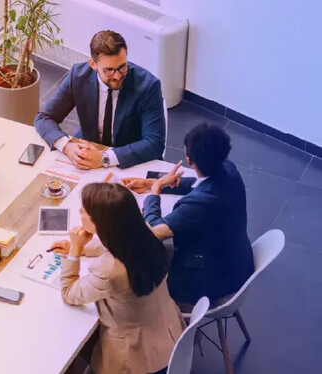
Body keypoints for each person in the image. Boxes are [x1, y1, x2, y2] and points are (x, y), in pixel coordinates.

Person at [52, 183, 183, 374]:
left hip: (134, 359)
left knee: (65, 344)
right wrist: (84, 248)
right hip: (169, 338)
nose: (79, 211)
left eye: (85, 211)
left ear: (101, 223)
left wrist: (75, 250)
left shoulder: (108, 271)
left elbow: (69, 293)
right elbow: (118, 243)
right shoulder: (146, 233)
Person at [123, 123, 254, 312]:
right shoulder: (228, 169)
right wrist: (151, 182)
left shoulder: (198, 205)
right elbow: (200, 183)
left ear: (189, 160)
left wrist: (154, 192)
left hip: (209, 281)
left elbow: (153, 231)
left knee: (140, 265)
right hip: (236, 263)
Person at [34, 30, 165, 170]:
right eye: (109, 70)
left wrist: (105, 158)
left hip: (128, 160)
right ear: (93, 65)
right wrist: (67, 146)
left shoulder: (148, 86)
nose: (117, 76)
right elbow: (43, 118)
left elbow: (154, 143)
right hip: (89, 152)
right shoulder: (78, 76)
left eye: (122, 67)